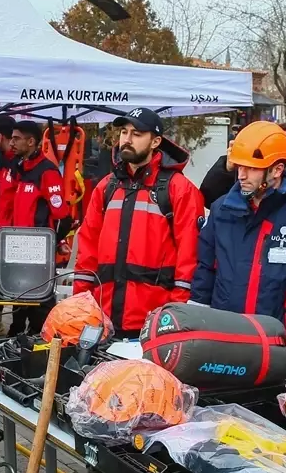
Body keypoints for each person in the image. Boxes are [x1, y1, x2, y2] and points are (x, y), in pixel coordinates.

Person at [190, 122, 286, 372]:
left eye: (251, 168)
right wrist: (195, 323)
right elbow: (205, 270)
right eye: (239, 166)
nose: (241, 175)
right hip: (222, 336)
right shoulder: (222, 210)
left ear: (277, 169)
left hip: (275, 340)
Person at [73, 108, 204, 335]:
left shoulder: (179, 190)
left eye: (137, 134)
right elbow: (87, 251)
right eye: (124, 132)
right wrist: (80, 306)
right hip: (102, 319)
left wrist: (175, 316)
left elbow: (189, 258)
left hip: (154, 323)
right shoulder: (106, 187)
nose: (127, 139)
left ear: (156, 142)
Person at [0, 120, 68, 334]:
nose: (12, 143)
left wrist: (52, 245)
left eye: (16, 139)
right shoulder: (18, 169)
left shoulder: (47, 171)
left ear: (31, 142)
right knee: (18, 307)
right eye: (11, 138)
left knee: (40, 312)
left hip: (39, 255)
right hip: (17, 251)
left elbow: (62, 215)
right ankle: (15, 342)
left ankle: (43, 345)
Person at [0, 115, 17, 229]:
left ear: (0, 137)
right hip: (3, 231)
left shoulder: (19, 164)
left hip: (14, 232)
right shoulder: (5, 161)